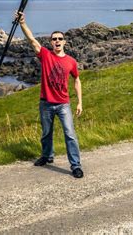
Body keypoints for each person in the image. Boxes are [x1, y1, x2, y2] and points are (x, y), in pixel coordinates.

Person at [16, 11, 84, 178]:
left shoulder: (71, 61)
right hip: (45, 103)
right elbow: (32, 40)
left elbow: (77, 80)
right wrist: (22, 23)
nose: (57, 41)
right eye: (54, 39)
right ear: (51, 42)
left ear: (65, 42)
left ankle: (75, 165)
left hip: (63, 104)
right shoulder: (45, 55)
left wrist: (80, 102)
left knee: (70, 134)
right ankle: (47, 156)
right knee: (46, 133)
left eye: (60, 39)